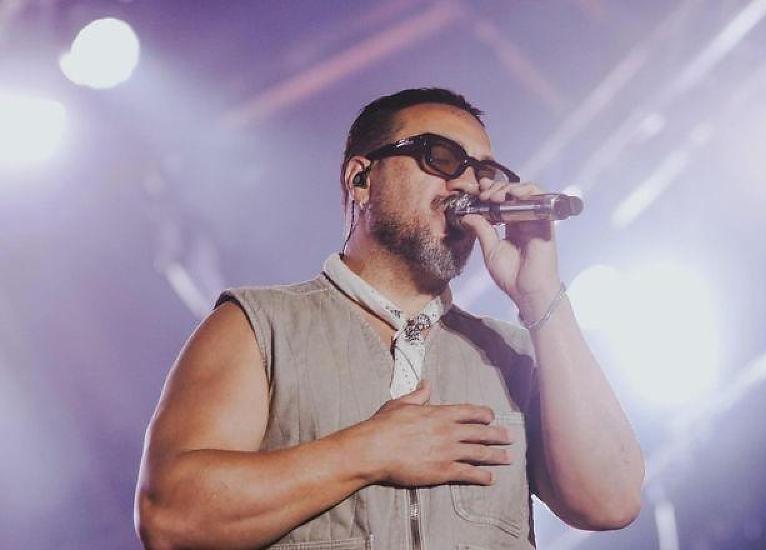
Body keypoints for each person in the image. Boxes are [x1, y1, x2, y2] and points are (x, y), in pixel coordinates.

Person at [135, 88, 645, 550]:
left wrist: (540, 296)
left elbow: (611, 502)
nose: (467, 182)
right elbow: (171, 518)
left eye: (482, 171)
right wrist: (368, 451)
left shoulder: (514, 353)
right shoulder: (257, 325)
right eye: (440, 157)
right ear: (361, 179)